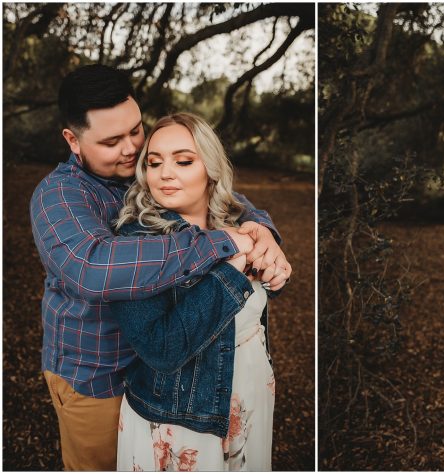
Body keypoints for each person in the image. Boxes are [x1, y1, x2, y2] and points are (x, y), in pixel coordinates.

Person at [29, 64, 290, 470]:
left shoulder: (143, 175)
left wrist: (261, 228)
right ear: (73, 140)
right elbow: (93, 269)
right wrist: (224, 242)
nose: (131, 148)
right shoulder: (59, 195)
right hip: (98, 375)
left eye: (136, 130)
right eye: (112, 140)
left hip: (168, 376)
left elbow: (216, 190)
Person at [110, 113, 276, 471]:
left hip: (248, 396)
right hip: (179, 418)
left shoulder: (238, 224)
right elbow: (161, 349)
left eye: (183, 161)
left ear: (211, 168)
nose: (165, 173)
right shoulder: (135, 242)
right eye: (154, 163)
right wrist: (234, 272)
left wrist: (271, 261)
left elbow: (259, 300)